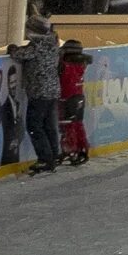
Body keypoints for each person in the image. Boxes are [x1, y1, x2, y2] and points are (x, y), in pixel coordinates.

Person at [10, 13, 64, 174]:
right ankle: (54, 154)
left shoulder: (36, 47)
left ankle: (45, 159)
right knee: (48, 125)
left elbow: (19, 54)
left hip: (39, 91)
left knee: (34, 125)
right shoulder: (53, 44)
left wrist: (12, 48)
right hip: (53, 90)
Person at [58, 38, 93, 166]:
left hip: (67, 98)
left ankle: (71, 149)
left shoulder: (66, 65)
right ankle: (82, 148)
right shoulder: (82, 63)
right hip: (79, 97)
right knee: (77, 123)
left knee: (68, 126)